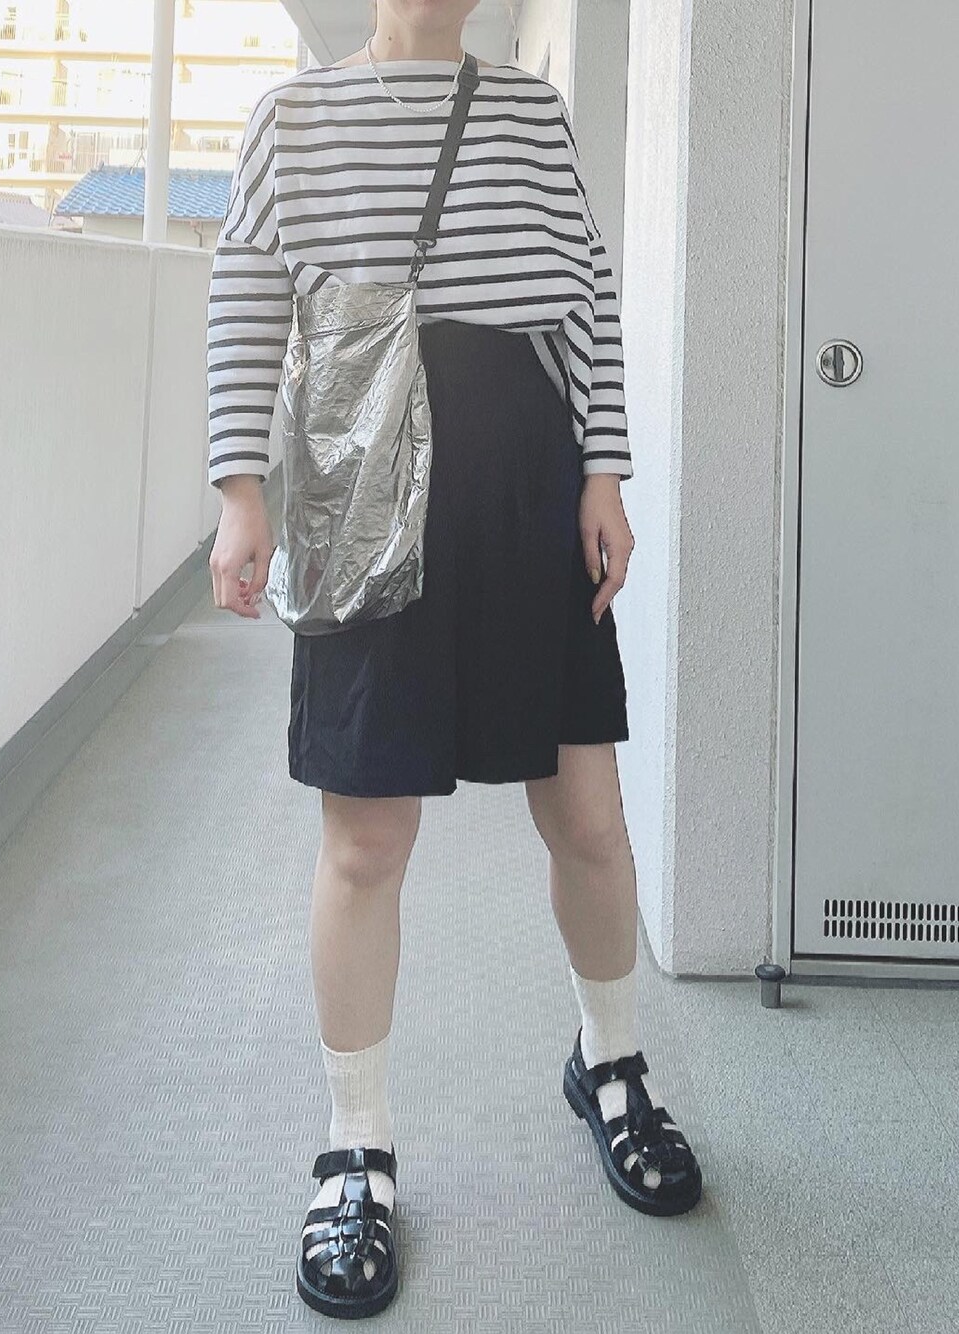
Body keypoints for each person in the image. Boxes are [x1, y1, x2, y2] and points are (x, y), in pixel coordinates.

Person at [206, 0, 702, 1318]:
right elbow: (246, 295)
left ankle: (610, 1066)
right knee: (366, 842)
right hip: (365, 486)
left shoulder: (532, 112)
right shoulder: (294, 116)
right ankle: (354, 1147)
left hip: (527, 483)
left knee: (587, 813)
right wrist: (240, 489)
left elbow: (584, 301)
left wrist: (605, 473)